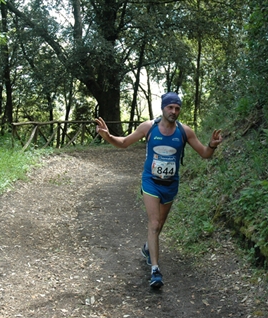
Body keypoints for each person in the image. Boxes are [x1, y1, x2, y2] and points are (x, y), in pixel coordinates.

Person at [94, 92, 223, 288]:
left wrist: (212, 145)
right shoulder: (149, 127)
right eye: (170, 107)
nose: (174, 111)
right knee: (154, 223)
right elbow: (123, 143)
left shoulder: (185, 131)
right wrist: (108, 135)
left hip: (170, 184)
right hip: (151, 182)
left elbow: (204, 154)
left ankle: (148, 248)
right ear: (163, 108)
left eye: (177, 108)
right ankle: (155, 270)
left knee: (160, 224)